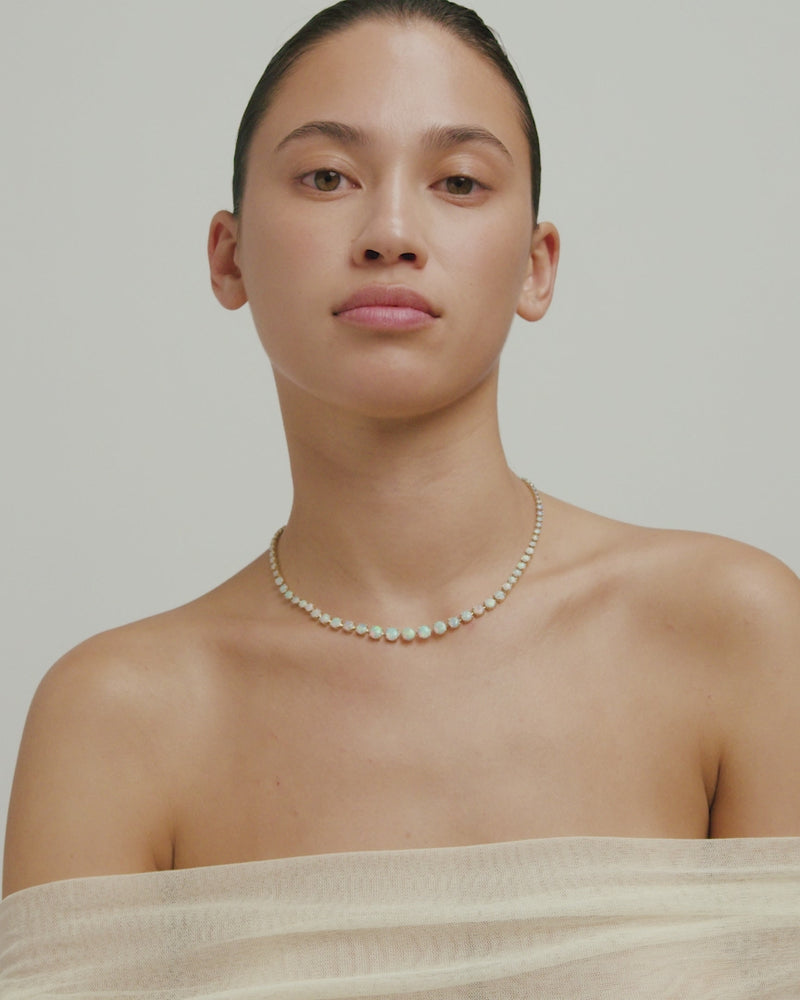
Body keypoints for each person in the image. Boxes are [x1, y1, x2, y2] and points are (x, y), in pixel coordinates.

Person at [2, 0, 799, 995]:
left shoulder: (739, 633)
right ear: (228, 255)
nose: (389, 232)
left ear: (536, 267)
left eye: (458, 181)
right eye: (326, 177)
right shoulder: (116, 718)